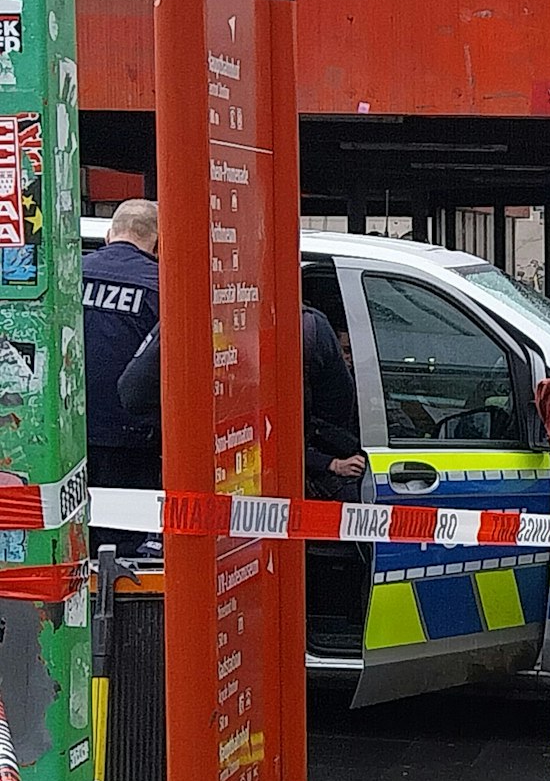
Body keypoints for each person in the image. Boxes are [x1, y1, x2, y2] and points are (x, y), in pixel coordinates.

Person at [119, 303, 364, 500]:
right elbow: (339, 413)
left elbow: (134, 394)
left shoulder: (186, 316)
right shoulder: (308, 327)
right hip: (283, 484)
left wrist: (184, 428)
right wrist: (323, 461)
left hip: (199, 478)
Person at [82, 199, 162, 554]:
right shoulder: (162, 286)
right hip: (131, 442)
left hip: (66, 436)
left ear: (108, 234)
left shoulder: (70, 273)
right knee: (120, 551)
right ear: (158, 243)